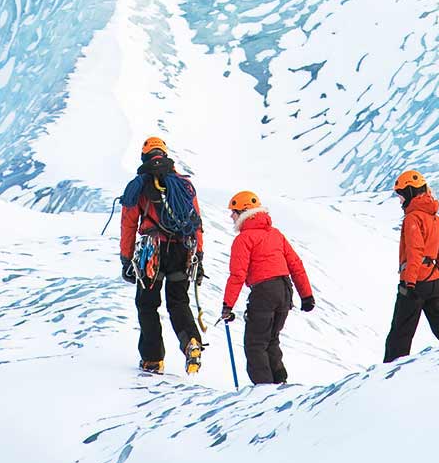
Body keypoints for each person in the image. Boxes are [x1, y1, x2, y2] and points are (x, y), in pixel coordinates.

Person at [119, 136, 205, 374]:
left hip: (152, 254)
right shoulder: (184, 185)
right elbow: (196, 222)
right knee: (178, 302)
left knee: (147, 304)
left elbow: (128, 224)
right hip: (181, 250)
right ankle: (191, 343)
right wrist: (199, 254)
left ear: (144, 156)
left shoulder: (138, 186)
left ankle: (152, 360)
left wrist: (126, 259)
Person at [219, 191, 314, 385]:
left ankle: (264, 391)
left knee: (255, 345)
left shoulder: (243, 239)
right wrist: (306, 296)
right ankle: (280, 384)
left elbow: (238, 275)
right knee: (271, 340)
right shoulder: (276, 234)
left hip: (263, 293)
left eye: (234, 212)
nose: (231, 217)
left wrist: (227, 305)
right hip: (285, 291)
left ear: (244, 212)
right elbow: (296, 264)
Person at [383, 170, 439, 363]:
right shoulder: (434, 217)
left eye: (400, 194)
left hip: (416, 283)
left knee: (399, 336)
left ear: (409, 191)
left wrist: (409, 282)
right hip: (433, 280)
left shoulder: (413, 218)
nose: (399, 200)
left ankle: (387, 377)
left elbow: (415, 251)